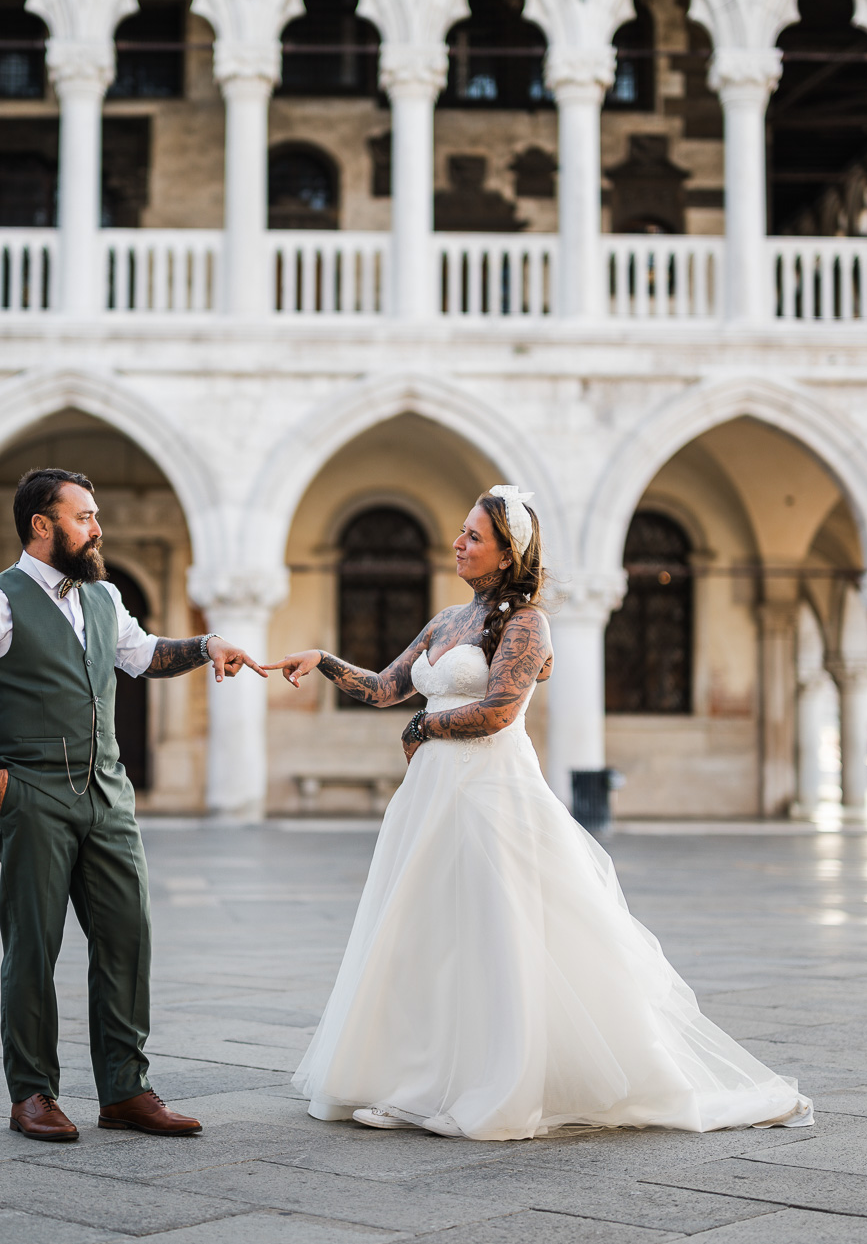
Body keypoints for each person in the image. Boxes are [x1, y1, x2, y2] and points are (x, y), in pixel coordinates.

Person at [268, 485, 811, 1141]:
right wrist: (323, 661)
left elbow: (499, 710)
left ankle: (484, 1084)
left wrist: (423, 728)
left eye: (472, 536)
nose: (458, 543)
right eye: (461, 532)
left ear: (506, 554)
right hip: (430, 800)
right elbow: (387, 687)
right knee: (427, 934)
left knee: (494, 937)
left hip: (492, 795)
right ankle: (416, 1077)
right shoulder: (445, 622)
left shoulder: (527, 624)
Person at [0, 466, 266, 1143]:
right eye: (84, 517)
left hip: (108, 792)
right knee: (33, 945)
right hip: (32, 792)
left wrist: (207, 645)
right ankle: (33, 1094)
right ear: (42, 525)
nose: (97, 528)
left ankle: (125, 1090)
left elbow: (141, 655)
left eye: (96, 516)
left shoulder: (102, 596)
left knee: (127, 939)